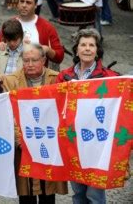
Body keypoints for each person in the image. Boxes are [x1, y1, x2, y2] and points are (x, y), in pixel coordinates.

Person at [56, 28, 118, 204]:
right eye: (83, 45)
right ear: (77, 49)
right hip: (73, 144)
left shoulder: (109, 77)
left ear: (97, 50)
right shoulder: (64, 76)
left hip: (98, 145)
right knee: (78, 193)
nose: (87, 49)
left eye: (92, 45)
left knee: (95, 195)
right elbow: (56, 104)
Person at [1, 43, 68, 204]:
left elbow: (65, 110)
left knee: (48, 193)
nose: (29, 64)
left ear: (44, 60)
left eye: (34, 60)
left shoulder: (56, 79)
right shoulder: (10, 82)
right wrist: (20, 140)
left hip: (50, 144)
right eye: (26, 60)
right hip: (23, 146)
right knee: (26, 194)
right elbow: (7, 114)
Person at [0, 0, 64, 69]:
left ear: (35, 5)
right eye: (21, 1)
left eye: (28, 3)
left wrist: (47, 50)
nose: (24, 5)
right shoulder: (10, 23)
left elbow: (59, 57)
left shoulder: (47, 27)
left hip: (35, 78)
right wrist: (0, 46)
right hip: (10, 76)